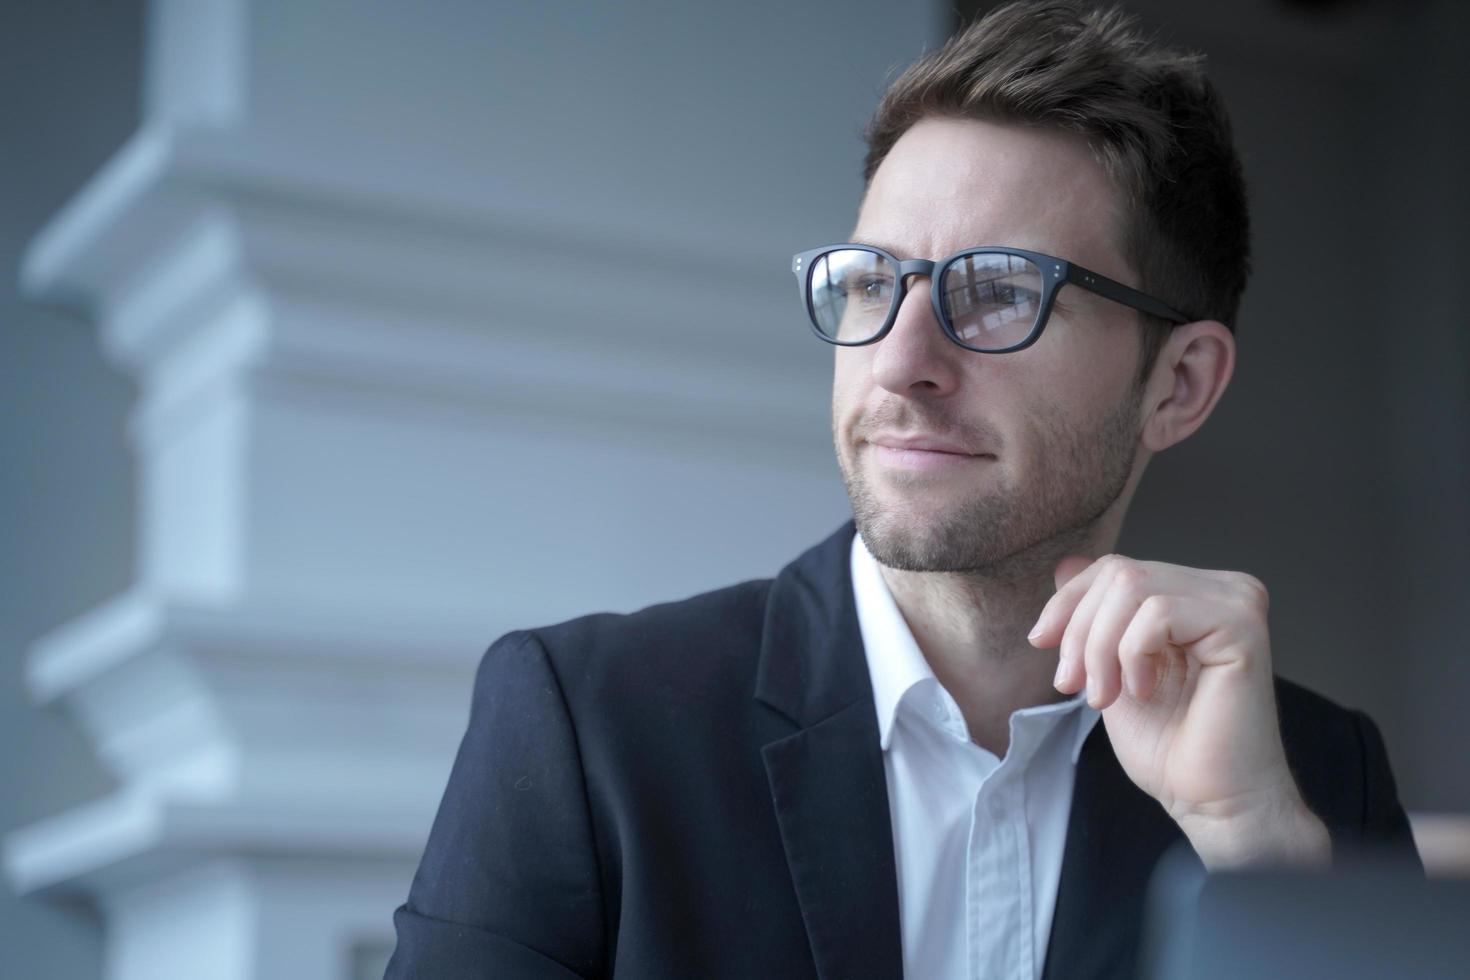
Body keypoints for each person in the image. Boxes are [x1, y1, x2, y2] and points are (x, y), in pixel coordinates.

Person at [384, 3, 1420, 978]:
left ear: (1179, 383)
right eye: (871, 283)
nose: (898, 361)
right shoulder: (583, 726)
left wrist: (1259, 851)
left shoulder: (1314, 786)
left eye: (1002, 290)